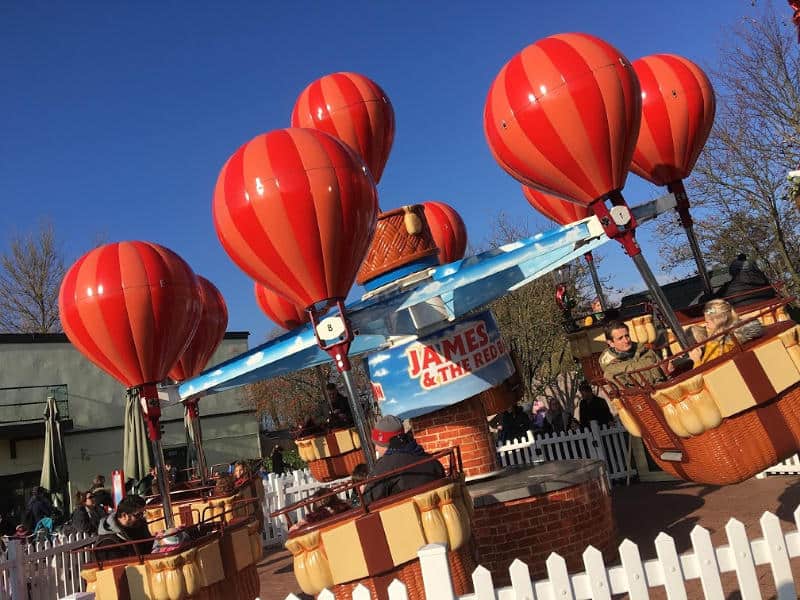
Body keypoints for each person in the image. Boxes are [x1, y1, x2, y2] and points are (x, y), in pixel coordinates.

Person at [362, 415, 445, 504]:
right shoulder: (430, 459)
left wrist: (365, 490)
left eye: (377, 444)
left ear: (385, 443)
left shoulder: (385, 466)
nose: (376, 448)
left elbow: (368, 501)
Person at [688, 299, 764, 367]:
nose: (706, 325)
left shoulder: (717, 345)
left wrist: (696, 360)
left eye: (707, 322)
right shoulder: (740, 334)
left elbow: (706, 372)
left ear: (717, 322)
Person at [598, 320, 664, 387]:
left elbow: (664, 370)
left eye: (627, 336)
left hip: (664, 388)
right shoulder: (610, 367)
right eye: (620, 338)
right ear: (611, 343)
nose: (626, 341)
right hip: (641, 395)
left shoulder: (644, 350)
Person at [94, 495, 152, 561]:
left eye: (143, 513)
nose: (142, 517)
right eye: (138, 515)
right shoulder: (107, 543)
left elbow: (148, 546)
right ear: (124, 515)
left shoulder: (138, 525)